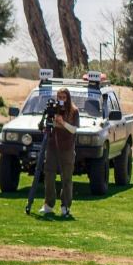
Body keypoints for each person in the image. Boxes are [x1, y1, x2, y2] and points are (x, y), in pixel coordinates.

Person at [40, 88, 79, 218]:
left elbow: (74, 130)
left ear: (68, 98)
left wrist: (63, 123)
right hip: (52, 147)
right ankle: (48, 204)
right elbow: (44, 125)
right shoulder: (53, 109)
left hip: (67, 148)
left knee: (66, 178)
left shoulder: (74, 111)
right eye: (59, 97)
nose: (61, 100)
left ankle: (65, 206)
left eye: (64, 97)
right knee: (49, 175)